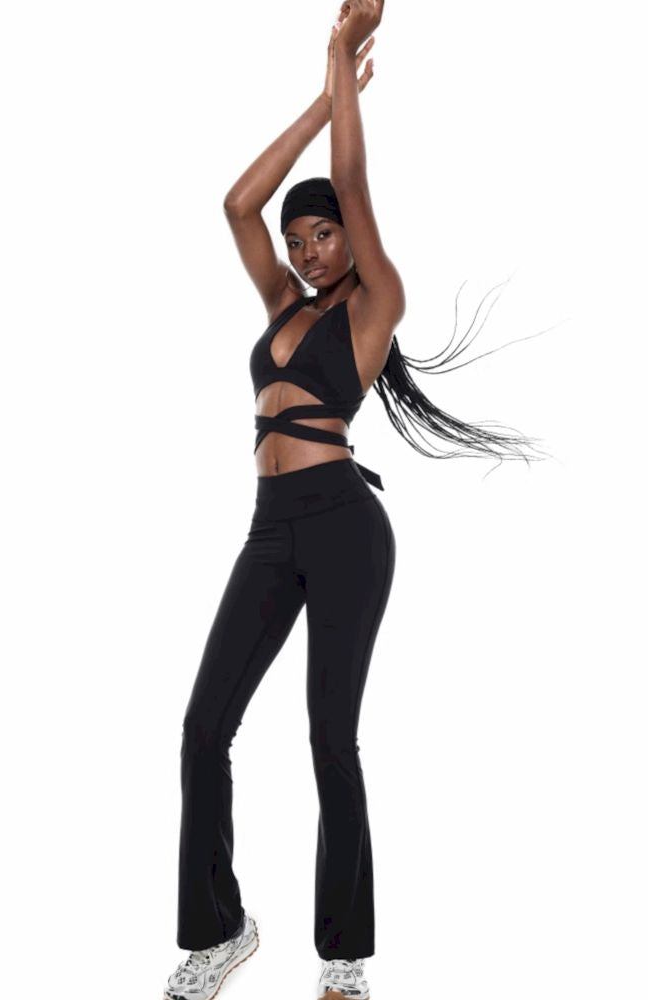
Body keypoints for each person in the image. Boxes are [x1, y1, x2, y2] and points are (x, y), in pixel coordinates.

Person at [163, 3, 550, 999]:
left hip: (345, 525)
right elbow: (236, 205)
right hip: (270, 529)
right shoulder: (281, 307)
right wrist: (316, 97)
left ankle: (344, 961)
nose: (306, 252)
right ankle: (220, 930)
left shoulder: (376, 304)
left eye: (322, 234)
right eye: (298, 241)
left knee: (330, 737)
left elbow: (356, 178)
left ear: (349, 236)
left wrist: (342, 63)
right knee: (204, 729)